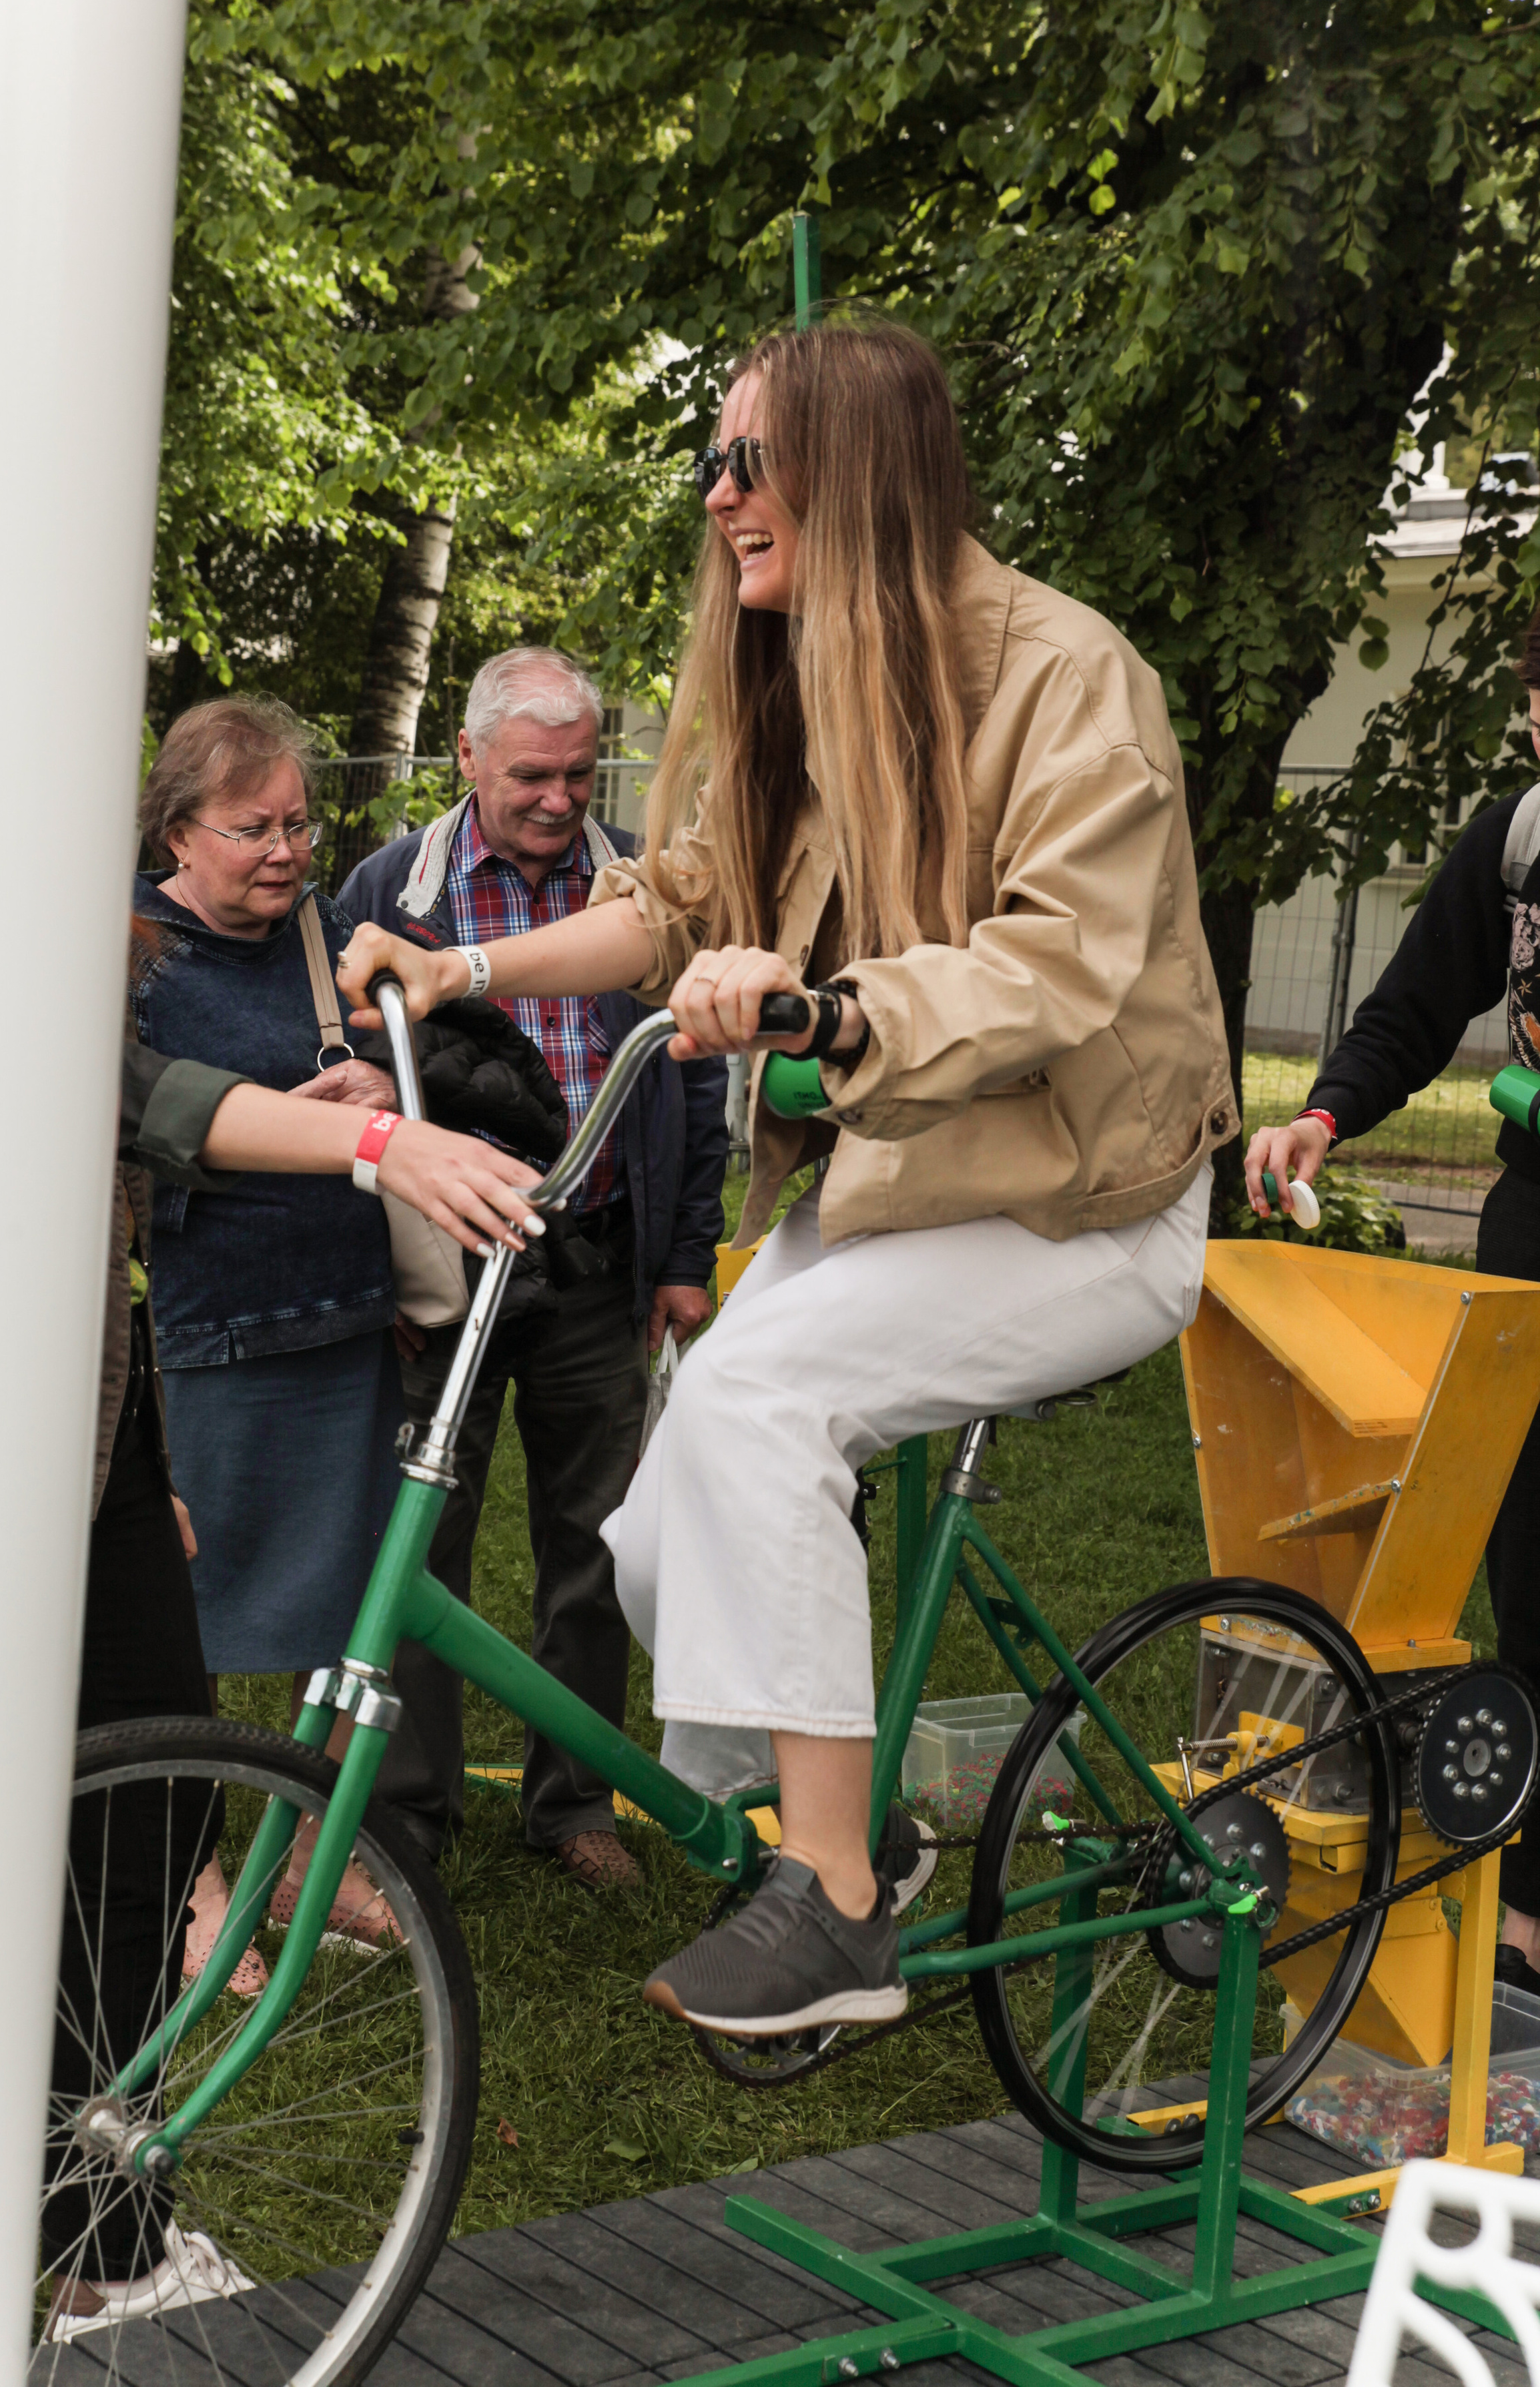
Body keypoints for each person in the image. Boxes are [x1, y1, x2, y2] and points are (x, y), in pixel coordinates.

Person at [338, 316, 1236, 2039]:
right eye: (715, 463)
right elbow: (675, 902)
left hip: (1083, 1206)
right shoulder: (813, 680)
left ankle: (834, 1905)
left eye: (751, 460)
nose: (721, 496)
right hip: (915, 1189)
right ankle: (844, 1818)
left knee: (759, 1421)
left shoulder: (1067, 681)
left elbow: (1058, 965)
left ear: (863, 465)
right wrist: (466, 974)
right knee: (665, 1508)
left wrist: (831, 1007)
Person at [47, 1020, 542, 2342]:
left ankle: (96, 2231)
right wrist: (379, 1138)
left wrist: (137, 1463)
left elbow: (142, 1138)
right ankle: (66, 2231)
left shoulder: (72, 946)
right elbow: (158, 1099)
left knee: (147, 1829)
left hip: (90, 1431)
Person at [338, 647, 729, 1890]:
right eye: (530, 776)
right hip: (447, 1278)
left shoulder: (637, 890)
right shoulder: (395, 889)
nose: (561, 799)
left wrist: (681, 1255)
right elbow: (346, 1092)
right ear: (466, 759)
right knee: (422, 1538)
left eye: (578, 772)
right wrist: (384, 1275)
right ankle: (407, 1813)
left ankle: (575, 1804)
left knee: (598, 1543)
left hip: (599, 1264)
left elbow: (696, 1070)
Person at [1244, 604, 1540, 2003]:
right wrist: (1323, 1114)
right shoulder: (1515, 837)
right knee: (1528, 1554)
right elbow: (1417, 1007)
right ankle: (1528, 1908)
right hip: (1532, 1224)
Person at [130, 695, 418, 1955]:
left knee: (350, 1614)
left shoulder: (329, 932)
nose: (290, 850)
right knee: (183, 1630)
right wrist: (279, 1124)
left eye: (301, 823)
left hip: (346, 1324)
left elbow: (434, 1066)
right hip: (213, 1335)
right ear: (181, 831)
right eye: (256, 828)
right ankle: (191, 1887)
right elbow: (133, 1131)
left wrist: (381, 1082)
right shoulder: (130, 951)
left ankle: (320, 1859)